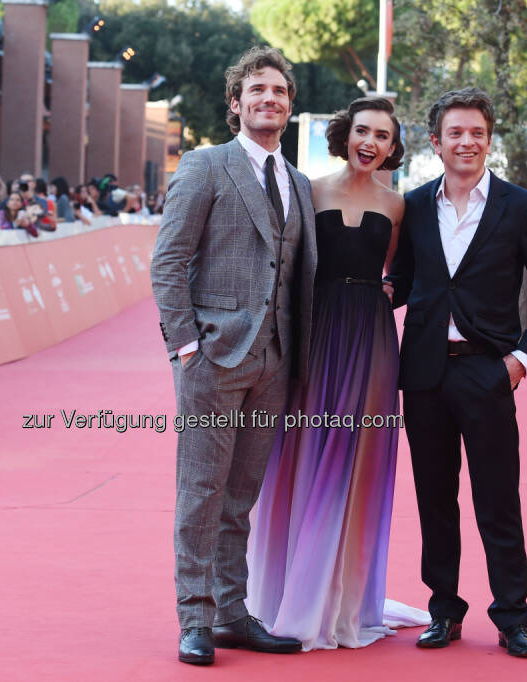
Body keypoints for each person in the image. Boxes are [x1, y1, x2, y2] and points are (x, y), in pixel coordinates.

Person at [151, 46, 317, 666]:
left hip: (274, 361)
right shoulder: (205, 166)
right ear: (236, 104)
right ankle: (194, 619)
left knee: (240, 497)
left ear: (289, 104)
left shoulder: (298, 183)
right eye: (257, 91)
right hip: (214, 358)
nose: (268, 99)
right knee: (201, 492)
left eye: (278, 90)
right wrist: (186, 346)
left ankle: (231, 613)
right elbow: (168, 261)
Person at [246, 96, 429, 651]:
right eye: (363, 131)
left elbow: (401, 273)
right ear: (346, 134)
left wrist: (380, 298)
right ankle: (291, 592)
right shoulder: (309, 189)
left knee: (356, 461)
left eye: (384, 137)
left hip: (371, 339)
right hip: (315, 333)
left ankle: (343, 600)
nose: (371, 143)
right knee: (301, 453)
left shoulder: (397, 206)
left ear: (394, 148)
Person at [387, 88, 527, 658]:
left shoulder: (519, 206)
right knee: (434, 500)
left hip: (489, 373)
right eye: (455, 133)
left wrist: (522, 359)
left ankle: (513, 617)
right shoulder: (413, 206)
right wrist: (347, 294)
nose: (467, 142)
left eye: (477, 133)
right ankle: (444, 611)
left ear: (489, 139)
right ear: (435, 142)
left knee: (497, 500)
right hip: (424, 377)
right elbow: (404, 282)